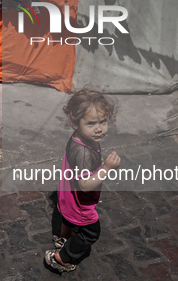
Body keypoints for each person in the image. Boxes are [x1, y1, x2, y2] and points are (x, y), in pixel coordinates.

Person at [45, 88, 121, 273]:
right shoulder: (83, 152)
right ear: (75, 122)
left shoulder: (80, 139)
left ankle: (63, 238)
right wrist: (106, 169)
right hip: (80, 203)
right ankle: (61, 258)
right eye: (91, 123)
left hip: (67, 195)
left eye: (103, 121)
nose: (99, 128)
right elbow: (85, 185)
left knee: (67, 220)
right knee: (90, 233)